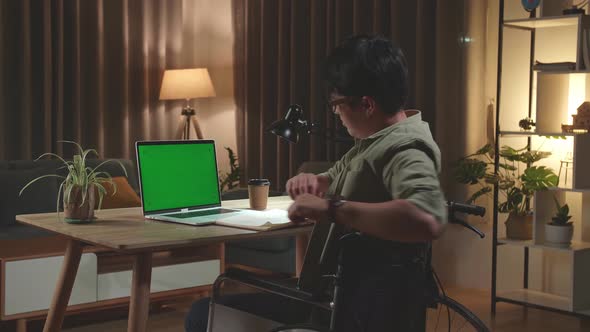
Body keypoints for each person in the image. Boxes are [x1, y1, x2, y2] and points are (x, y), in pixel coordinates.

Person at [185, 34, 446, 332]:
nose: (335, 112)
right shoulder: (373, 141)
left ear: (367, 104)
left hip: (335, 308)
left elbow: (427, 218)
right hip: (333, 296)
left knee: (202, 313)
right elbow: (334, 177)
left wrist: (331, 208)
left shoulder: (406, 148)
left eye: (337, 103)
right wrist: (314, 181)